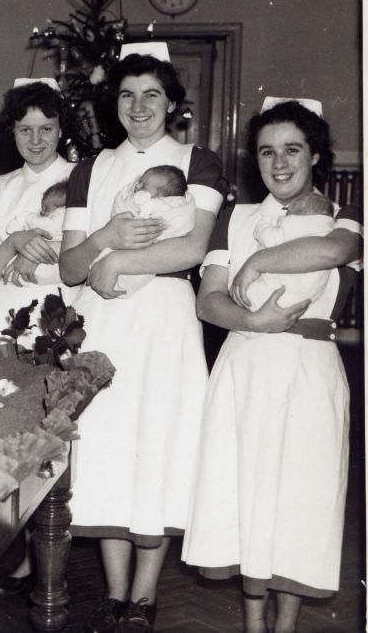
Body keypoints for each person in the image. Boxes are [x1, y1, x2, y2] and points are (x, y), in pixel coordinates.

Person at [57, 42, 227, 632]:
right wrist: (106, 238)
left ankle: (145, 596)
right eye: (127, 95)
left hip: (162, 320)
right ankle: (115, 591)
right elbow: (71, 267)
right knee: (107, 448)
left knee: (156, 442)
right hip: (103, 324)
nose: (138, 106)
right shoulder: (92, 167)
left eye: (151, 94)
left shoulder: (197, 161)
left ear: (172, 102)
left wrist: (121, 263)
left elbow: (193, 246)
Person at [181, 98, 362, 633]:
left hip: (309, 371)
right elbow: (208, 301)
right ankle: (253, 625)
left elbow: (332, 252)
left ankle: (284, 628)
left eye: (292, 150)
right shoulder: (234, 220)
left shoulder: (344, 214)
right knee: (246, 494)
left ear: (315, 156)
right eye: (267, 152)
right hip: (245, 367)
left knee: (299, 498)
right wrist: (257, 323)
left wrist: (258, 261)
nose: (279, 163)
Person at [0, 78, 77, 358]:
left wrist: (33, 253)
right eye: (25, 130)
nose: (36, 140)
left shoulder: (82, 177)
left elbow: (84, 254)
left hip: (62, 308)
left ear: (61, 130)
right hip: (4, 313)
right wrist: (15, 242)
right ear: (13, 131)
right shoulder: (0, 186)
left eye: (46, 129)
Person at [88, 164, 196, 298]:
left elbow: (180, 225)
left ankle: (120, 285)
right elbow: (121, 208)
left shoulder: (173, 208)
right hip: (123, 243)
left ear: (163, 196)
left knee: (136, 274)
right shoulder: (133, 198)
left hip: (152, 253)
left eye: (143, 186)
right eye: (139, 182)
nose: (137, 187)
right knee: (103, 258)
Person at [244, 190, 335, 311]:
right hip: (309, 295)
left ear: (294, 213)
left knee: (247, 294)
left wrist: (264, 224)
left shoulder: (293, 226)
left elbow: (269, 239)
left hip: (278, 294)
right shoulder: (329, 231)